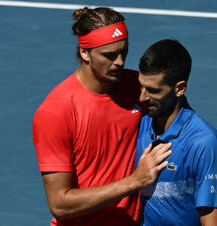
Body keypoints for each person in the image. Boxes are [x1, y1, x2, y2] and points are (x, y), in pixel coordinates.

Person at [32, 7, 172, 226]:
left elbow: (179, 120)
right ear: (85, 53)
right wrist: (135, 181)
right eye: (109, 55)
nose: (119, 62)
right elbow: (59, 204)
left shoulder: (139, 87)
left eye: (123, 52)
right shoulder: (55, 112)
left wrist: (206, 157)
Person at [135, 39, 217, 226]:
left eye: (153, 91)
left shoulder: (204, 144)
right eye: (141, 86)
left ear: (180, 88)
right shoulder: (137, 120)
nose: (142, 97)